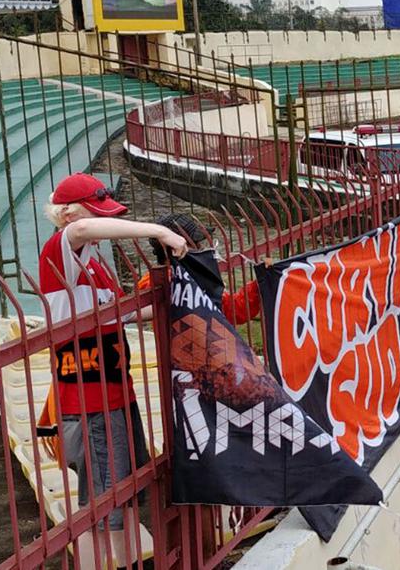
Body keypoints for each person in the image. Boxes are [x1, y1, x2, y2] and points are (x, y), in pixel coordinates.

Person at [35, 172, 187, 568]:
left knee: (125, 493)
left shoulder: (95, 264)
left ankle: (130, 561)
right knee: (103, 505)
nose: (100, 221)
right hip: (88, 400)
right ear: (66, 213)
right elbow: (84, 226)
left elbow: (120, 315)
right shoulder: (62, 250)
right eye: (95, 209)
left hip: (115, 393)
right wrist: (158, 230)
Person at [137, 213, 262, 325]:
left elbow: (231, 309)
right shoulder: (160, 282)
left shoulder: (155, 279)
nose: (200, 247)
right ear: (175, 247)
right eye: (194, 243)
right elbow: (232, 311)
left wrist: (259, 284)